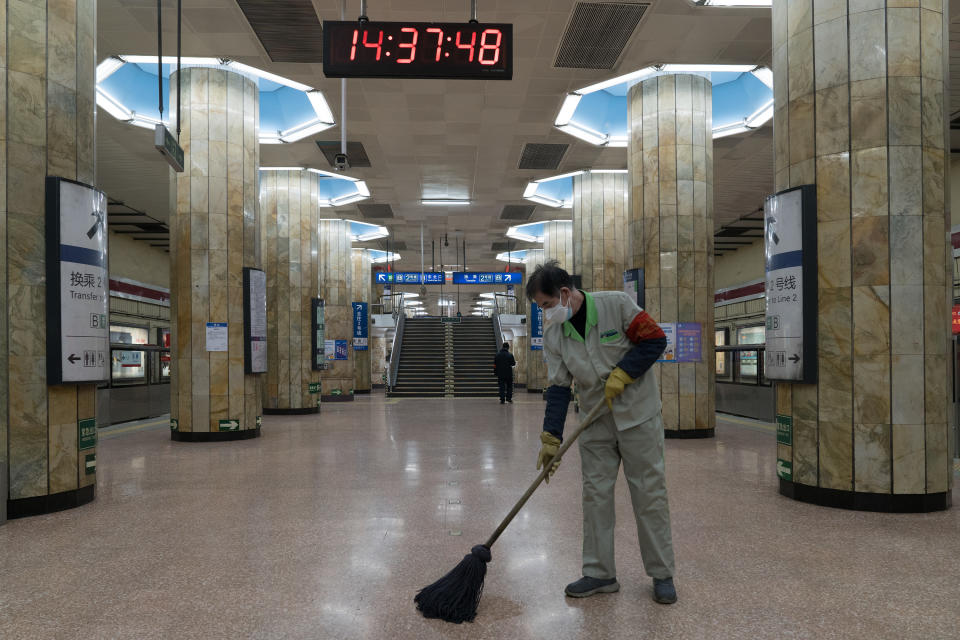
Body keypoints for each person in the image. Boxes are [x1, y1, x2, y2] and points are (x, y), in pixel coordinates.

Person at [527, 260, 677, 605]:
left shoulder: (617, 305)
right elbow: (560, 387)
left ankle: (662, 573)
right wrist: (551, 438)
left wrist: (624, 372)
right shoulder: (555, 334)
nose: (545, 314)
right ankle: (599, 573)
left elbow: (655, 340)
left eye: (547, 305)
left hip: (638, 417)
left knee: (648, 494)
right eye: (540, 308)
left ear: (564, 293)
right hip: (595, 422)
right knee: (595, 496)